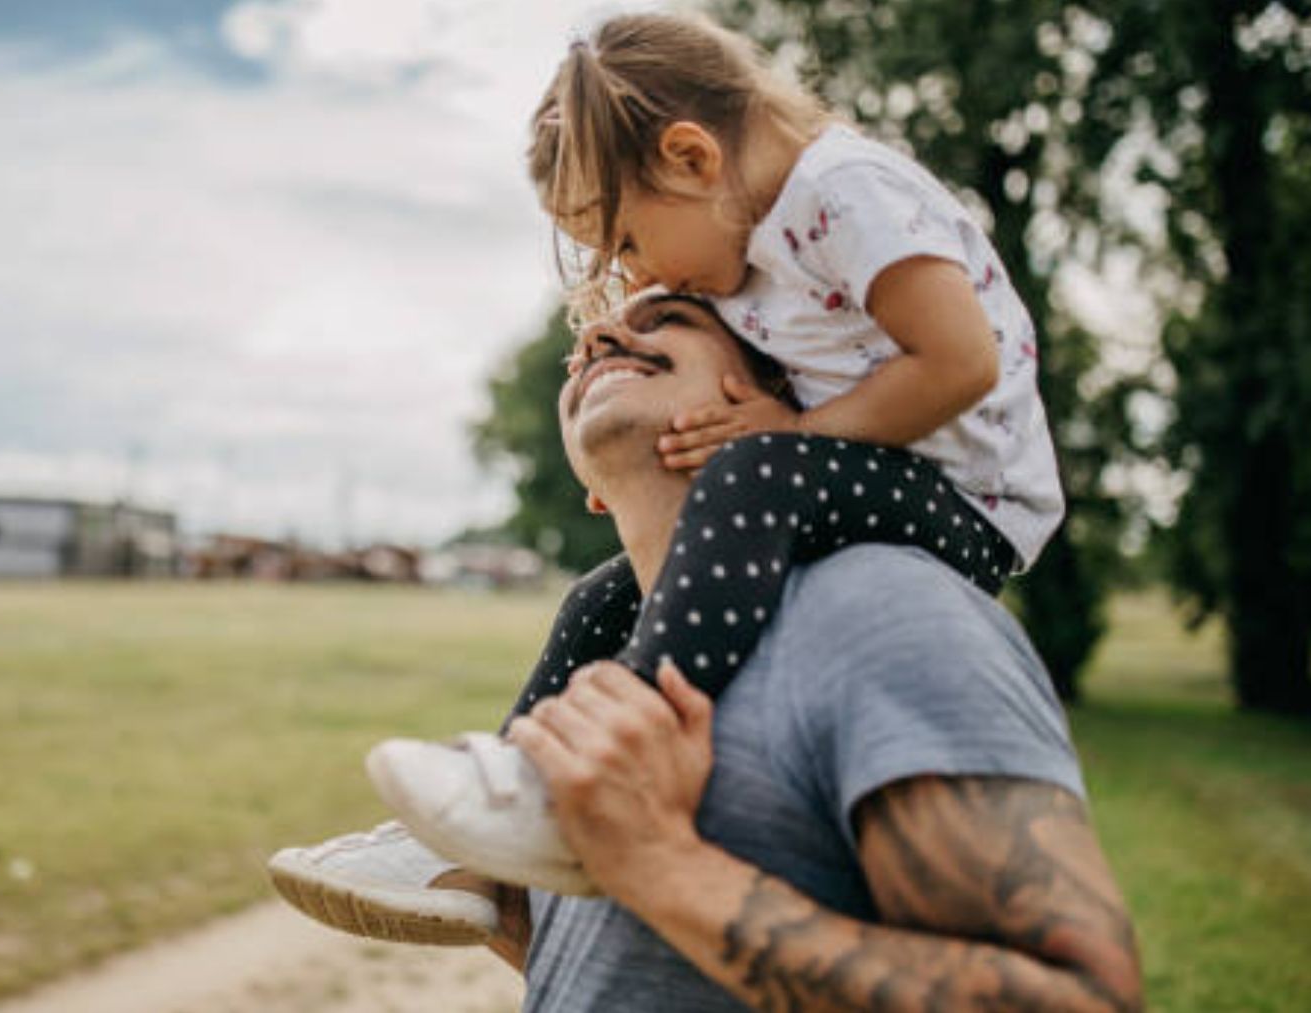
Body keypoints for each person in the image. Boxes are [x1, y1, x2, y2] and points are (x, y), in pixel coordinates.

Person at [278, 290, 1142, 1011]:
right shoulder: (600, 654)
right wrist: (528, 917)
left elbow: (1082, 999)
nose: (602, 335)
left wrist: (660, 865)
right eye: (586, 349)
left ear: (773, 390)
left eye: (670, 318)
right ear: (586, 484)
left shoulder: (885, 609)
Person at [366, 9, 1066, 891]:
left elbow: (962, 363)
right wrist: (612, 344)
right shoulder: (748, 240)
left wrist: (798, 435)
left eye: (625, 240)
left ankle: (627, 748)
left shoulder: (846, 192)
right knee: (597, 598)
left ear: (693, 159)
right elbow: (701, 340)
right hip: (865, 477)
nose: (637, 277)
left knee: (754, 467)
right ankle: (500, 811)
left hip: (969, 502)